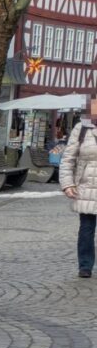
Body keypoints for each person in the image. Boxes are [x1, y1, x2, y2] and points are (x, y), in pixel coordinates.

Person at [60, 101, 97, 278]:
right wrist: (67, 184)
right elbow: (68, 158)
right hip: (87, 185)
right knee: (87, 228)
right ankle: (85, 265)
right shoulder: (81, 128)